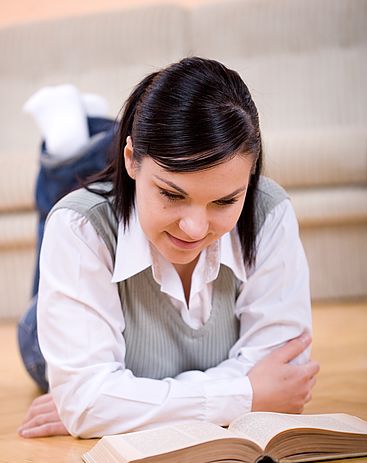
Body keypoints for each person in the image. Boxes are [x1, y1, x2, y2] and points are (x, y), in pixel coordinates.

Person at [17, 57, 319, 439]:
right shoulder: (79, 228)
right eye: (171, 194)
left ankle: (92, 133)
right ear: (131, 159)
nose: (194, 228)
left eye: (224, 201)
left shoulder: (269, 211)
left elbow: (285, 372)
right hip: (42, 330)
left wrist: (121, 407)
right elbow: (87, 402)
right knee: (64, 211)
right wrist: (247, 393)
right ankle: (72, 146)